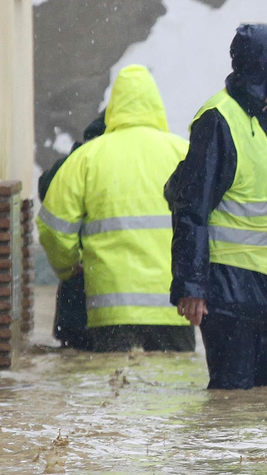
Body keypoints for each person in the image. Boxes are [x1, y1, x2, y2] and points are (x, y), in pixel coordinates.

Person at [167, 24, 267, 390]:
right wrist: (191, 286)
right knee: (232, 405)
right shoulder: (217, 120)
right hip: (230, 296)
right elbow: (191, 208)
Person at [37, 66, 193, 352]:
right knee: (174, 391)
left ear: (114, 106)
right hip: (176, 308)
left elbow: (52, 226)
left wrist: (68, 268)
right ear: (156, 103)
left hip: (111, 313)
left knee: (114, 389)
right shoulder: (182, 153)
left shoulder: (87, 158)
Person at [37, 112, 106, 349]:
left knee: (76, 367)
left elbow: (45, 190)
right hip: (87, 296)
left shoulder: (70, 165)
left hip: (76, 296)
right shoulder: (78, 165)